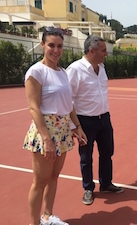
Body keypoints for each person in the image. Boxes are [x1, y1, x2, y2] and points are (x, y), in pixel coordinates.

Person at [23, 27, 87, 225]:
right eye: (51, 45)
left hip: (62, 129)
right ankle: (34, 223)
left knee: (53, 176)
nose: (56, 50)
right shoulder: (36, 72)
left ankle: (48, 216)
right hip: (46, 129)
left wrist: (77, 127)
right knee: (40, 181)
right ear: (42, 45)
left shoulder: (62, 72)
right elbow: (34, 108)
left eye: (59, 46)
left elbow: (69, 105)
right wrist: (46, 139)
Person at [66, 35, 124, 205]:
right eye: (103, 50)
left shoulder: (102, 67)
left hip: (104, 118)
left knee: (107, 153)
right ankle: (88, 188)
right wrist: (74, 127)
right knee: (86, 157)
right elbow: (68, 99)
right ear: (92, 51)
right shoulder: (75, 69)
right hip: (85, 121)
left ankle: (105, 184)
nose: (106, 53)